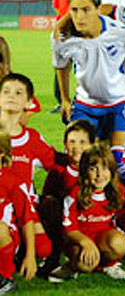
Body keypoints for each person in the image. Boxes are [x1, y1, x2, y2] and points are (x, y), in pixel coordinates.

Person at [52, 0, 125, 190]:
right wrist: (64, 100)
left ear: (98, 9)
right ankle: (85, 209)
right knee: (81, 160)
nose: (79, 16)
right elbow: (61, 65)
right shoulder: (62, 38)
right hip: (85, 104)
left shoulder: (121, 32)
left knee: (119, 160)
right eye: (74, 10)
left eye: (86, 10)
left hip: (120, 102)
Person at [48, 144, 125, 282]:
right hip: (79, 240)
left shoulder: (118, 192)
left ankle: (109, 265)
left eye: (105, 168)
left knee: (119, 243)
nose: (99, 175)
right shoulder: (74, 194)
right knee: (85, 265)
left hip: (103, 238)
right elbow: (69, 228)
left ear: (112, 171)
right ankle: (71, 266)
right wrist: (85, 242)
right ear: (84, 171)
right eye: (93, 169)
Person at [0, 73, 54, 265]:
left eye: (18, 93)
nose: (11, 96)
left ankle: (19, 246)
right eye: (5, 92)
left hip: (25, 207)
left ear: (29, 102)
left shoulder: (32, 139)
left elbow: (55, 165)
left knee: (43, 249)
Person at [38, 120, 96, 278]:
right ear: (64, 144)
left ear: (92, 144)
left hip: (90, 222)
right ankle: (53, 253)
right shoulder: (58, 169)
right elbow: (46, 200)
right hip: (64, 225)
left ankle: (107, 260)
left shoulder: (99, 169)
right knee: (50, 203)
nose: (77, 147)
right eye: (72, 142)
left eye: (83, 142)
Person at [0, 125, 38, 294]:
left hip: (6, 237)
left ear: (2, 154)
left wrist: (30, 256)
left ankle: (5, 277)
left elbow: (26, 219)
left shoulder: (12, 182)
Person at [51, 0, 91, 113]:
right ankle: (62, 101)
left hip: (81, 32)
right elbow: (57, 7)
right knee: (60, 65)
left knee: (83, 65)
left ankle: (81, 98)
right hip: (62, 32)